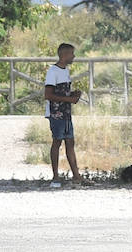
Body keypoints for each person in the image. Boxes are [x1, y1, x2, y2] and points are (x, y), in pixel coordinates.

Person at [43, 42, 83, 187]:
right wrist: (69, 99)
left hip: (66, 113)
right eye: (72, 54)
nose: (74, 56)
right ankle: (55, 176)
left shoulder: (65, 71)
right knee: (57, 142)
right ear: (64, 55)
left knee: (70, 143)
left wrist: (73, 95)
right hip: (56, 114)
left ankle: (76, 175)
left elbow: (61, 93)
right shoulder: (53, 71)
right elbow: (48, 95)